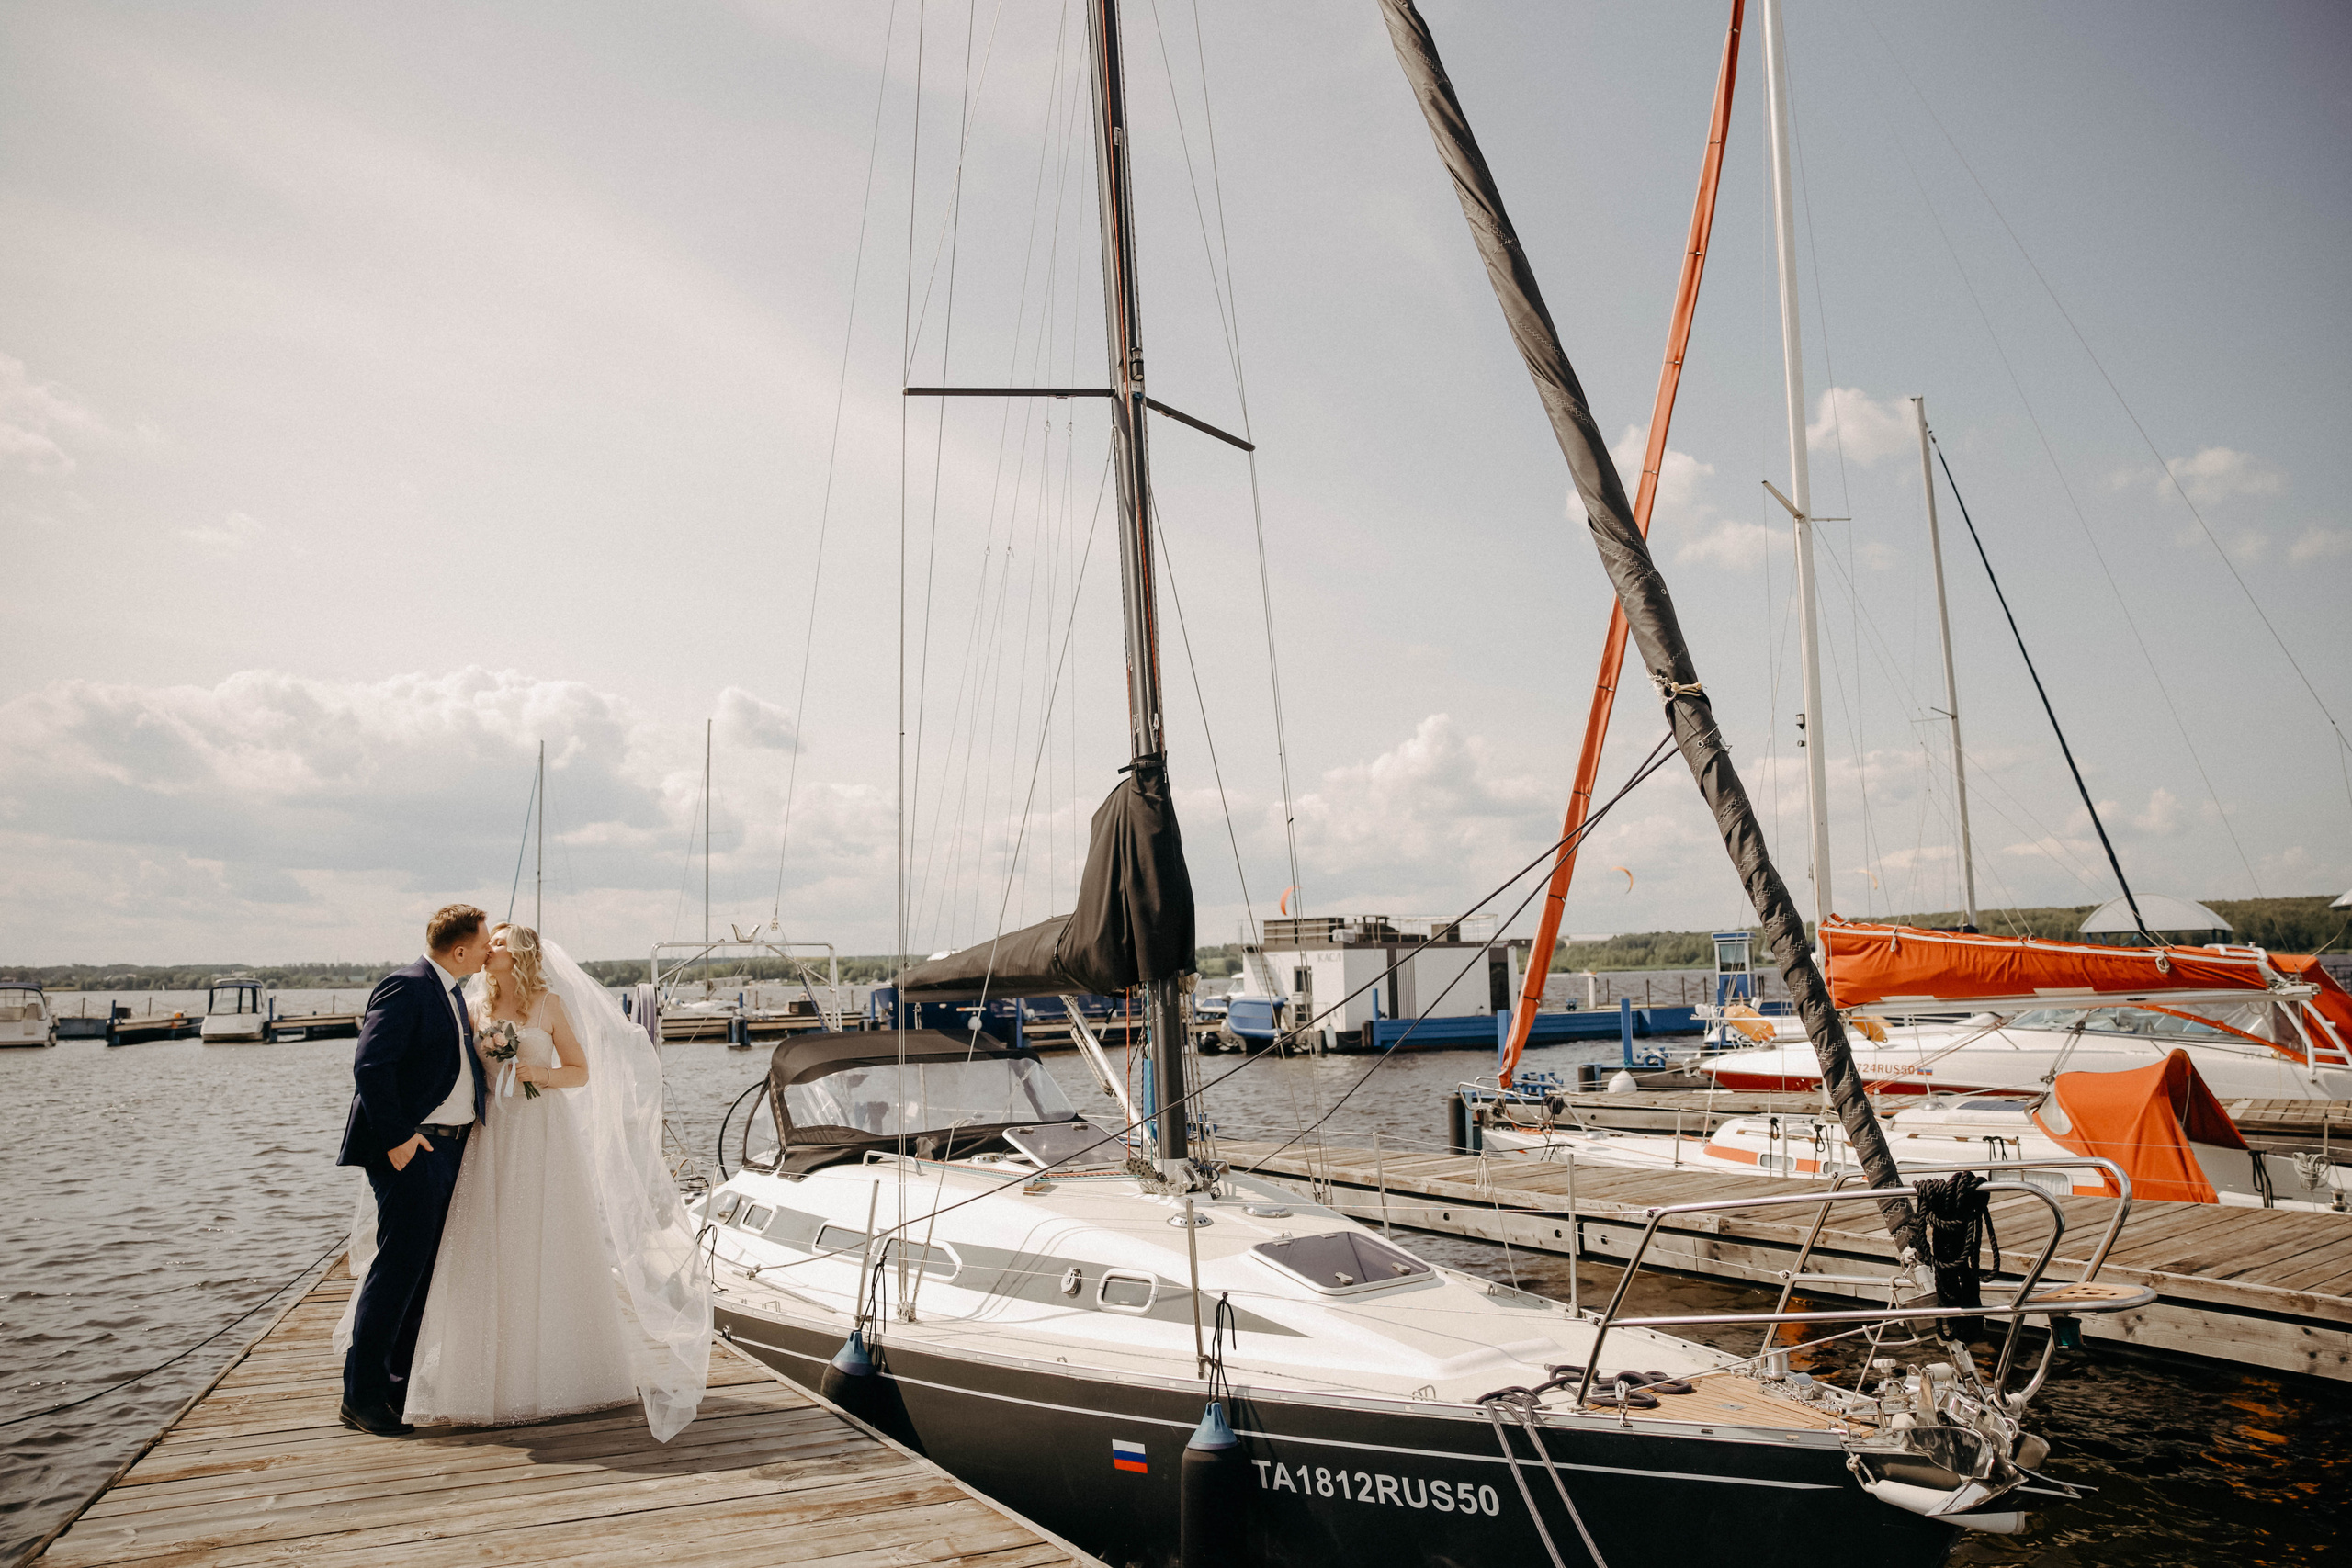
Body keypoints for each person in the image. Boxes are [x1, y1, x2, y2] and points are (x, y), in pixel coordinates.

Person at [401, 923, 711, 1440]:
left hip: (543, 1132)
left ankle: (561, 1375)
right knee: (490, 1244)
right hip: (492, 1136)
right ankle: (485, 1380)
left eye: (498, 942)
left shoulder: (548, 1004)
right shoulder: (474, 1008)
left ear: (520, 953)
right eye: (488, 942)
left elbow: (579, 1070)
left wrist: (539, 1075)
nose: (488, 948)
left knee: (545, 1240)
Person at [334, 904, 490, 1438]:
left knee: (420, 1274)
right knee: (398, 1272)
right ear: (461, 949)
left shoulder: (450, 993)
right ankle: (361, 1398)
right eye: (483, 943)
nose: (487, 951)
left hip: (447, 1149)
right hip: (412, 1150)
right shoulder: (407, 985)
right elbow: (370, 1066)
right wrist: (398, 1138)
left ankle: (394, 1388)